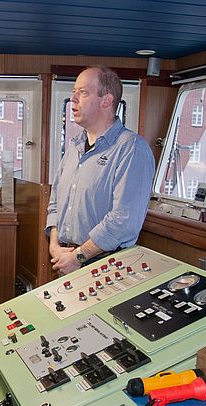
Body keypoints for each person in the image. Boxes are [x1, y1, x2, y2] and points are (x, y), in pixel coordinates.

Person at [46, 66, 155, 275]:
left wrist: (78, 256)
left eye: (83, 92)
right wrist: (54, 246)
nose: (73, 99)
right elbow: (55, 204)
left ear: (106, 100)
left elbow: (123, 220)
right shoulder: (74, 146)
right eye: (74, 92)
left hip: (102, 264)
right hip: (65, 259)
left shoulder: (131, 149)